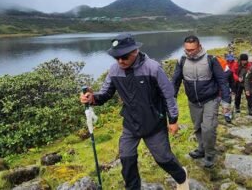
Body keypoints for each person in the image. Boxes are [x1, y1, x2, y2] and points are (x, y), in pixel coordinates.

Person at [80, 33, 189, 190]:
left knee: (163, 159)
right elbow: (105, 94)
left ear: (135, 51)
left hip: (154, 123)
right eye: (116, 57)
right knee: (127, 159)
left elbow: (168, 94)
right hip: (131, 123)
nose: (120, 61)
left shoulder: (152, 68)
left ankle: (182, 177)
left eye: (124, 57)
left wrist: (173, 120)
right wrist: (92, 98)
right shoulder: (114, 70)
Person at [172, 35, 231, 168]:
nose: (190, 52)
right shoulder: (181, 61)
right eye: (187, 50)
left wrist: (226, 101)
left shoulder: (211, 60)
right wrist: (172, 98)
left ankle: (210, 154)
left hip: (210, 99)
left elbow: (222, 81)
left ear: (199, 46)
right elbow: (175, 81)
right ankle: (201, 149)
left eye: (192, 49)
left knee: (208, 128)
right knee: (198, 127)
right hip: (193, 101)